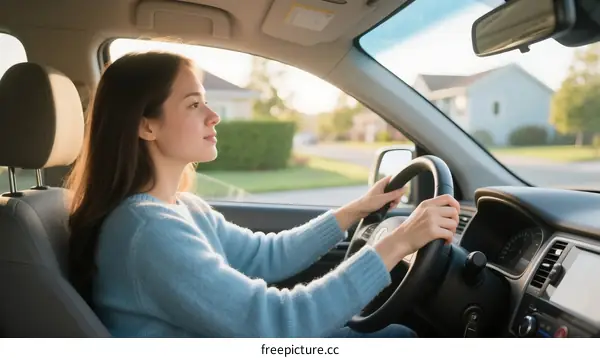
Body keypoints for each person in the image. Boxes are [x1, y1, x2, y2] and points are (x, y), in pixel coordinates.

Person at [65, 51, 460, 338]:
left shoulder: (178, 209)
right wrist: (399, 242)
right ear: (147, 127)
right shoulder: (147, 232)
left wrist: (357, 209)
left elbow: (264, 255)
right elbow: (275, 324)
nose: (213, 115)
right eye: (193, 104)